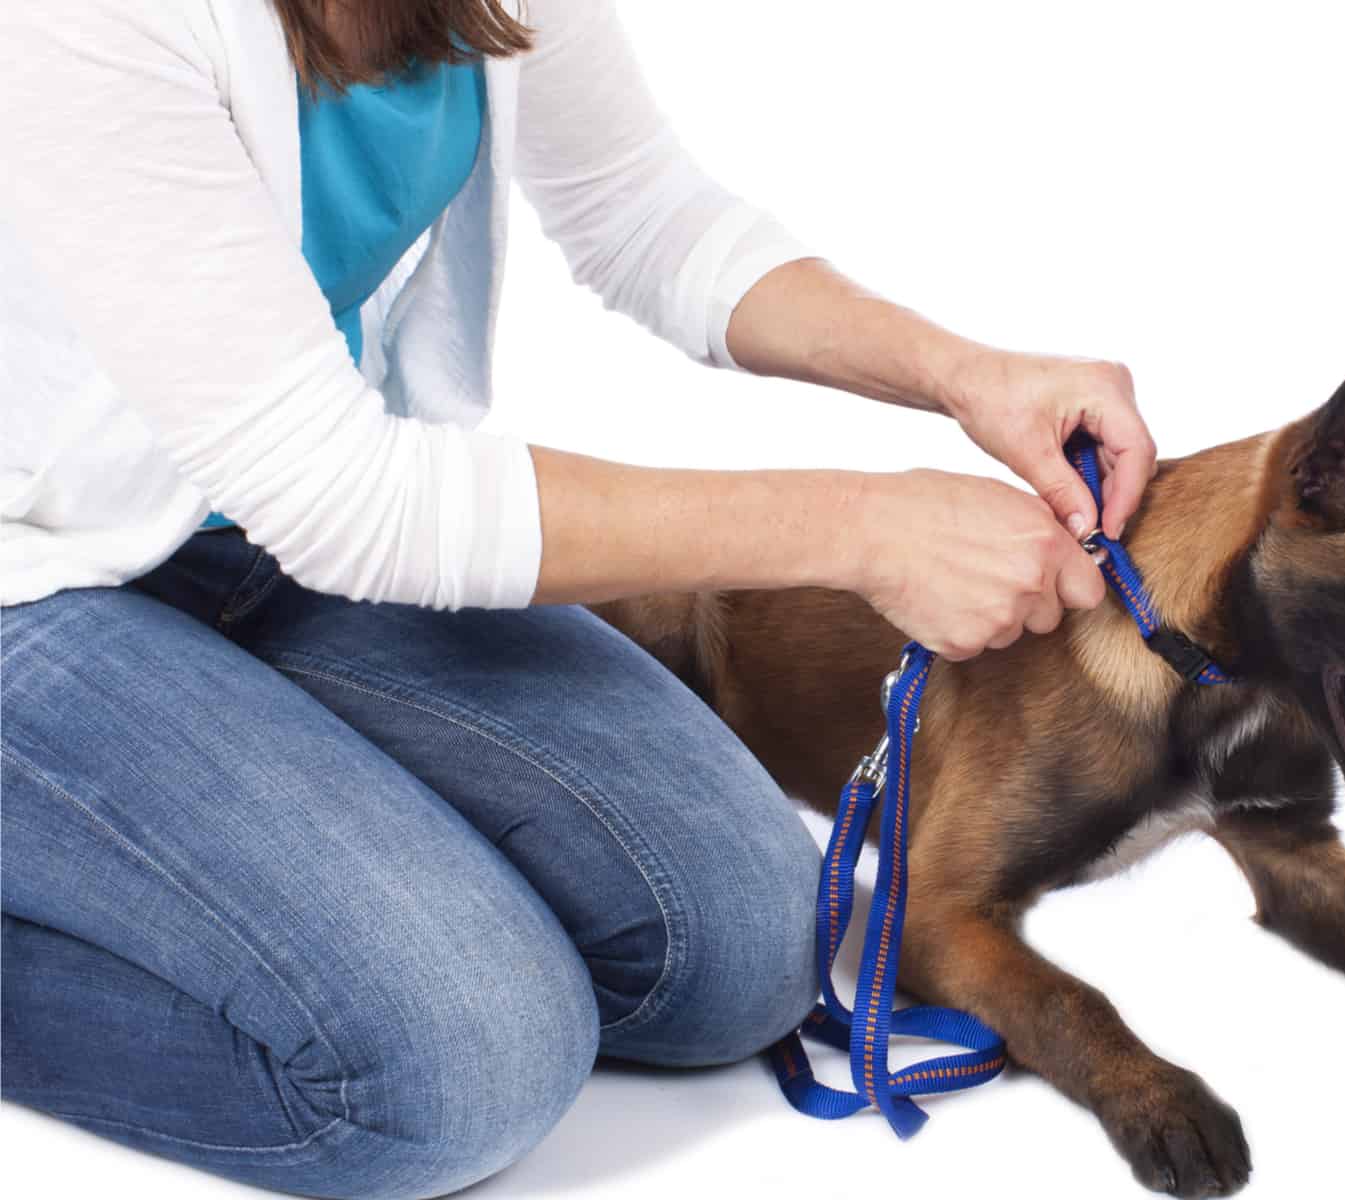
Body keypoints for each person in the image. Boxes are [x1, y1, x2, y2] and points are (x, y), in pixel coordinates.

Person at [0, 2, 1158, 1196]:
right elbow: (348, 496)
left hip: (250, 532)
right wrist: (864, 529)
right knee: (454, 1071)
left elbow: (644, 215)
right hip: (31, 568)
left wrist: (964, 376)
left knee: (742, 950)